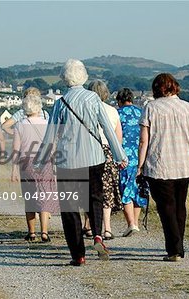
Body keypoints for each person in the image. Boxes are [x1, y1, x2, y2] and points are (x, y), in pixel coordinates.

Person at [36, 59, 127, 266]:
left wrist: (40, 162)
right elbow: (107, 128)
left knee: (69, 208)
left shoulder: (60, 103)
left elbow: (50, 136)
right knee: (94, 198)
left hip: (67, 161)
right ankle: (97, 235)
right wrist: (119, 155)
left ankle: (78, 255)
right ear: (84, 76)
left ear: (64, 78)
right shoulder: (93, 98)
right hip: (95, 157)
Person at [138, 73, 189, 262]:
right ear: (175, 87)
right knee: (180, 206)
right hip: (184, 164)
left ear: (156, 88)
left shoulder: (150, 108)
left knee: (166, 207)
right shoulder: (188, 108)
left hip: (159, 164)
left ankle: (175, 249)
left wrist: (140, 166)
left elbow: (143, 141)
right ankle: (178, 244)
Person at [11, 94, 58, 242]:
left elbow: (16, 149)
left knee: (29, 196)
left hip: (26, 163)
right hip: (44, 161)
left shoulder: (19, 125)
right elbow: (52, 146)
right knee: (44, 195)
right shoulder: (47, 123)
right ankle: (44, 232)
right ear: (39, 106)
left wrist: (13, 168)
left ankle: (31, 232)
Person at [82, 80, 123, 240]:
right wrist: (118, 156)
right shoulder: (113, 111)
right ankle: (107, 228)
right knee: (106, 192)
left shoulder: (86, 109)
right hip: (108, 152)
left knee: (89, 190)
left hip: (90, 151)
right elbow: (117, 137)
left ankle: (91, 226)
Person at [117, 88, 147, 237]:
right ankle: (135, 223)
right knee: (137, 190)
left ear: (119, 100)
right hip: (141, 157)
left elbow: (116, 137)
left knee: (126, 189)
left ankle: (131, 224)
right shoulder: (141, 112)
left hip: (125, 157)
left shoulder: (118, 114)